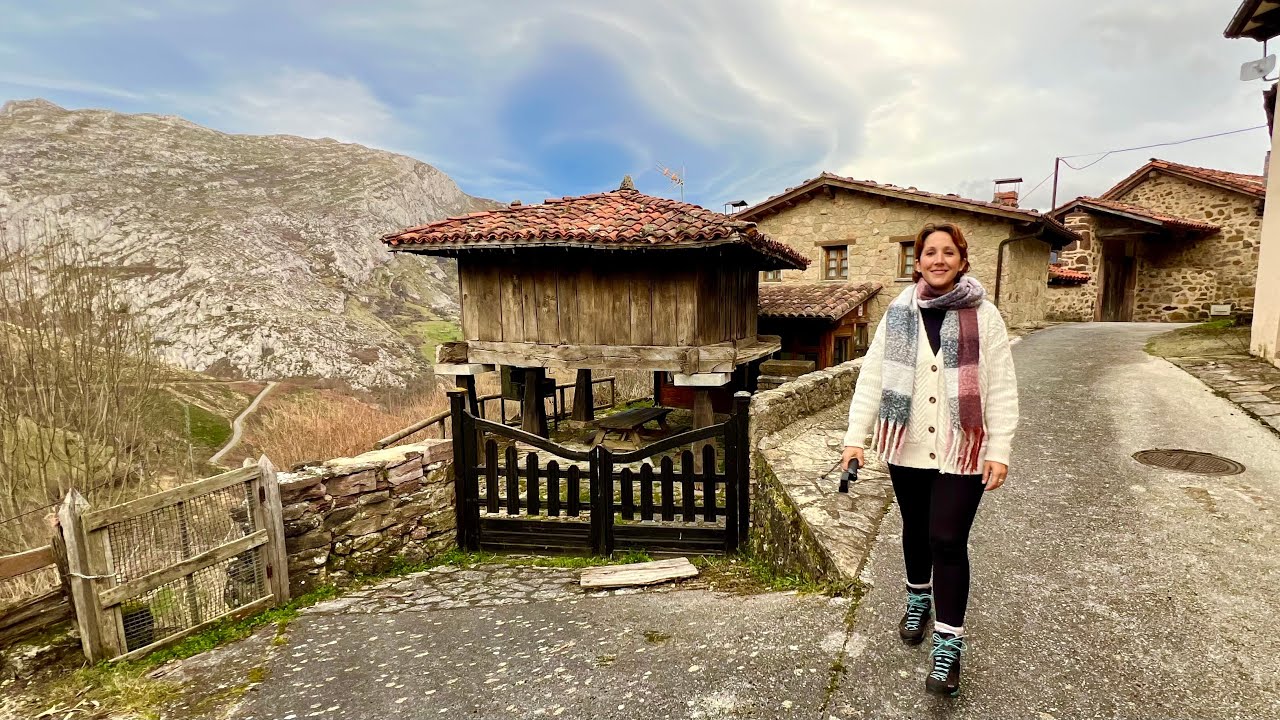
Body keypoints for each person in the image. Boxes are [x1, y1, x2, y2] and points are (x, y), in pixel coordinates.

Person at [840, 222, 1018, 697]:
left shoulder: (986, 315)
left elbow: (1000, 385)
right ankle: (918, 597)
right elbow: (873, 377)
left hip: (964, 446)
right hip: (909, 443)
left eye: (948, 252)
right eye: (929, 253)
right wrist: (855, 438)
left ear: (962, 259)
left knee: (947, 538)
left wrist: (999, 448)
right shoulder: (899, 311)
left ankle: (948, 647)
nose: (938, 260)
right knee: (916, 529)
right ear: (917, 262)